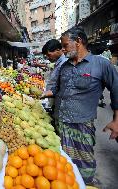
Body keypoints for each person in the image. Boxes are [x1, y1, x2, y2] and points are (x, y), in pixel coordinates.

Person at [50, 27, 118, 186]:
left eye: (66, 45)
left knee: (84, 162)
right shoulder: (65, 66)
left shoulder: (101, 64)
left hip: (82, 125)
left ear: (78, 42)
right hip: (61, 123)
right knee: (64, 162)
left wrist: (116, 121)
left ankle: (87, 183)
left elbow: (116, 90)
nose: (63, 50)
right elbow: (59, 90)